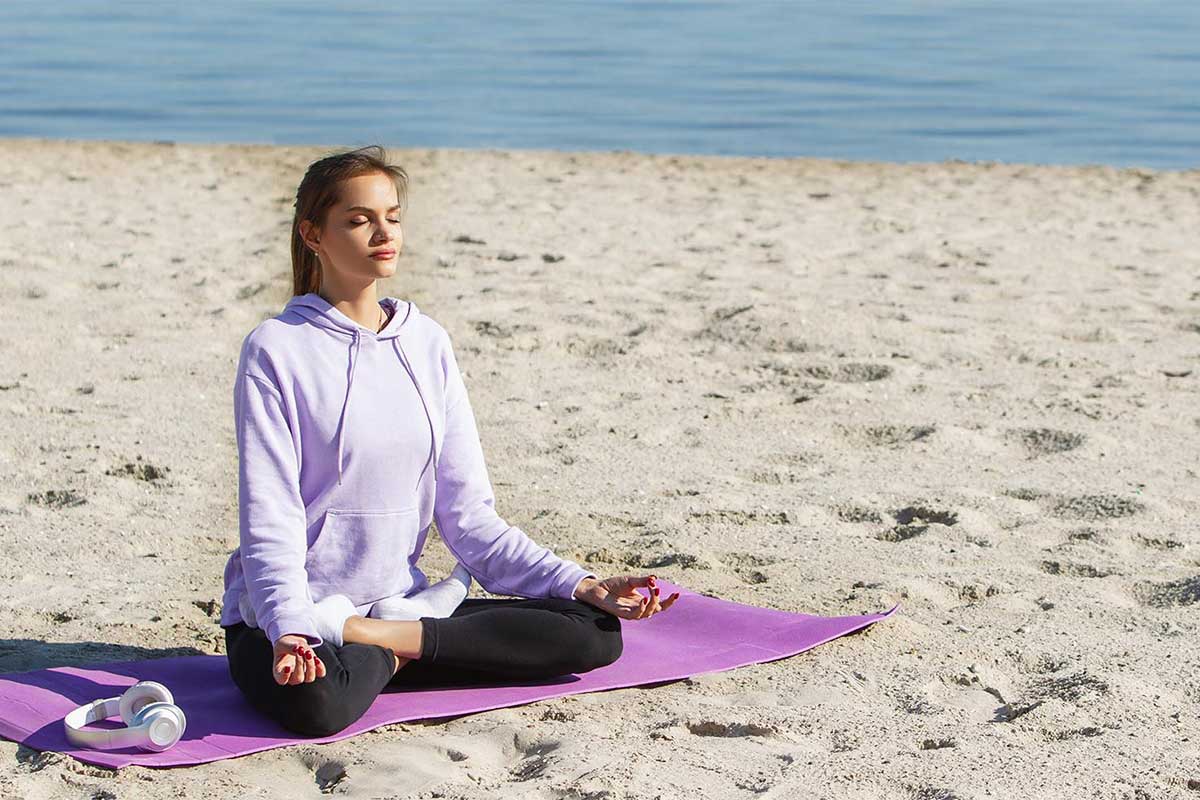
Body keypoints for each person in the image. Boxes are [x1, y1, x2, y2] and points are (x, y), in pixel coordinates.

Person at [218, 145, 679, 737]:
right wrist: (289, 629)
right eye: (359, 220)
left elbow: (470, 518)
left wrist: (582, 583)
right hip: (290, 620)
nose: (383, 233)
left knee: (593, 630)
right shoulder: (276, 350)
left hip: (389, 609)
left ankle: (380, 643)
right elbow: (270, 519)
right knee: (318, 706)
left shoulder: (427, 343)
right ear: (313, 234)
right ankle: (398, 648)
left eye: (393, 216)